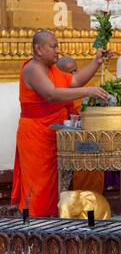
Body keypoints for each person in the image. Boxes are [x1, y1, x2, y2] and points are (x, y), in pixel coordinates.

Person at [11, 31, 114, 217]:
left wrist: (96, 62)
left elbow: (74, 81)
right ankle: (36, 229)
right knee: (39, 187)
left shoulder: (52, 69)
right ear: (39, 49)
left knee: (55, 186)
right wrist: (88, 91)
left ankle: (51, 229)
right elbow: (51, 94)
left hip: (54, 132)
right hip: (36, 134)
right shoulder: (33, 68)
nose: (58, 51)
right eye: (53, 46)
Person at [56, 56, 105, 195]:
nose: (74, 75)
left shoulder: (88, 85)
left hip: (91, 135)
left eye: (75, 71)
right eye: (68, 73)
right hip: (70, 138)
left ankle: (94, 205)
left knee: (93, 170)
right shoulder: (58, 90)